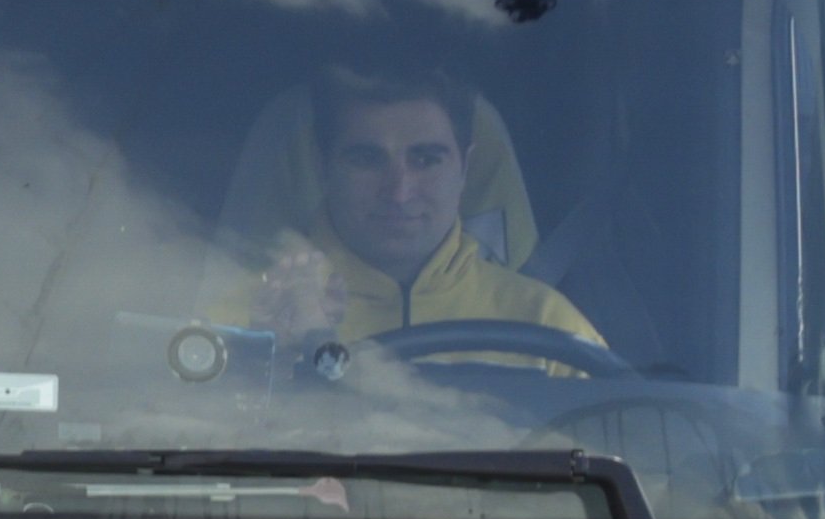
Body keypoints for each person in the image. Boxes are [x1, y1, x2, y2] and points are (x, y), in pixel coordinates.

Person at [240, 54, 607, 354]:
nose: (399, 192)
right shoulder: (248, 321)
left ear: (465, 169)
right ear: (323, 169)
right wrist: (278, 362)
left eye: (426, 160)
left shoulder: (550, 329)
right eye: (367, 159)